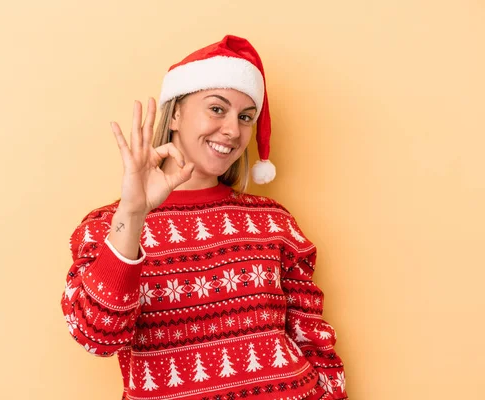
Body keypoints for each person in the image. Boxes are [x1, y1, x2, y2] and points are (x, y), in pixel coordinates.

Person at [61, 35, 347, 400]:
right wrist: (133, 214)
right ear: (176, 113)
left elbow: (313, 337)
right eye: (217, 109)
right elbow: (95, 336)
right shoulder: (107, 226)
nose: (233, 130)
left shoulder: (273, 221)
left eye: (246, 117)